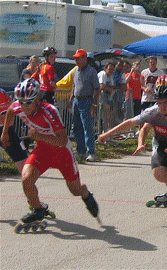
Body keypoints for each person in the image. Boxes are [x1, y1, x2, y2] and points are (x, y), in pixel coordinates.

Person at [0, 79, 99, 226]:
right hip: (43, 149)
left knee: (75, 190)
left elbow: (62, 139)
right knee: (26, 179)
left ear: (37, 98)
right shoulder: (18, 107)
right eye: (21, 102)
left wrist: (38, 136)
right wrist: (5, 132)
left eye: (28, 102)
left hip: (61, 152)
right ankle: (38, 209)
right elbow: (9, 112)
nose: (24, 106)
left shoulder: (50, 110)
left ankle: (85, 193)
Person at [97, 84, 167, 210]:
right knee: (158, 174)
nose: (162, 106)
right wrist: (107, 134)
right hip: (162, 143)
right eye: (159, 103)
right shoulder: (152, 112)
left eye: (165, 103)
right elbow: (130, 123)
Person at [67, 49, 100, 162]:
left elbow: (96, 88)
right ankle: (81, 151)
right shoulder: (75, 71)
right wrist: (71, 98)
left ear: (84, 58)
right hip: (76, 100)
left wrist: (94, 104)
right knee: (77, 127)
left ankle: (91, 152)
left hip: (87, 101)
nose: (76, 60)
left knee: (87, 127)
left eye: (78, 58)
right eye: (75, 58)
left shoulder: (92, 71)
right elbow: (74, 86)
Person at [0, 88, 27, 172]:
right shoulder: (2, 93)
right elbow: (5, 118)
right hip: (4, 129)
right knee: (22, 161)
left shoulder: (2, 93)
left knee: (22, 159)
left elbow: (6, 116)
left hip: (4, 129)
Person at [98, 62, 116, 132]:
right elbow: (102, 86)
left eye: (112, 69)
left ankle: (105, 129)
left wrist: (108, 88)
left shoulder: (110, 76)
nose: (111, 71)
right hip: (98, 96)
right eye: (109, 69)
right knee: (103, 112)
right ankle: (100, 130)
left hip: (105, 96)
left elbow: (112, 86)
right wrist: (108, 89)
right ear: (106, 69)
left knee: (107, 112)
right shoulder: (103, 74)